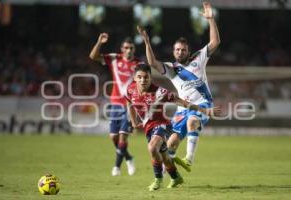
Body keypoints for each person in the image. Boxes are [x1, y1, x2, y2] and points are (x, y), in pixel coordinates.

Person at [137, 1, 221, 169]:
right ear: (173, 52)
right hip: (183, 108)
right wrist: (147, 43)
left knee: (192, 123)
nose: (180, 52)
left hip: (203, 104)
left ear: (188, 51)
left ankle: (188, 159)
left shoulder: (199, 58)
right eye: (177, 50)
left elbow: (215, 42)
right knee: (170, 144)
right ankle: (171, 176)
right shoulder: (171, 68)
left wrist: (211, 20)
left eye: (183, 50)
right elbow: (152, 62)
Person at [126, 64, 219, 191]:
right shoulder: (130, 89)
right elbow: (129, 103)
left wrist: (204, 110)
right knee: (164, 157)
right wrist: (133, 122)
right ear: (135, 78)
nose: (143, 80)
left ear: (150, 77)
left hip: (162, 124)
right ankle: (176, 177)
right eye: (140, 77)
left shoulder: (160, 91)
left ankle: (158, 180)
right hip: (148, 127)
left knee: (153, 148)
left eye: (146, 77)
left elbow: (183, 102)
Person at [89, 33, 141, 176]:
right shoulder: (114, 58)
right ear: (122, 49)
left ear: (134, 49)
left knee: (123, 136)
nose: (129, 50)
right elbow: (93, 56)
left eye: (131, 48)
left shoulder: (139, 64)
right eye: (126, 47)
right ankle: (129, 158)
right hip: (115, 102)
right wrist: (99, 42)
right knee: (113, 137)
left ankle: (116, 167)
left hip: (130, 105)